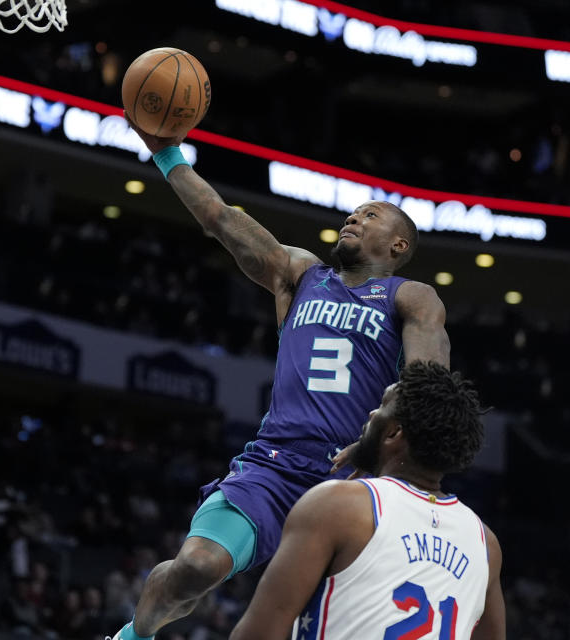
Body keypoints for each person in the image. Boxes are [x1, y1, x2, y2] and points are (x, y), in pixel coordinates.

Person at [112, 119, 451, 640]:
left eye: (371, 215)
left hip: (353, 482)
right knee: (196, 567)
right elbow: (221, 220)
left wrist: (371, 442)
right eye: (354, 212)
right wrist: (166, 155)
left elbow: (425, 384)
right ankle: (132, 635)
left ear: (399, 244)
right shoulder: (300, 274)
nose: (354, 217)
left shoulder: (412, 296)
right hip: (275, 464)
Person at [230, 362, 505, 640]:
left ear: (394, 433)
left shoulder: (340, 505)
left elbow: (257, 634)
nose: (371, 413)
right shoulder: (485, 543)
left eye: (381, 407)